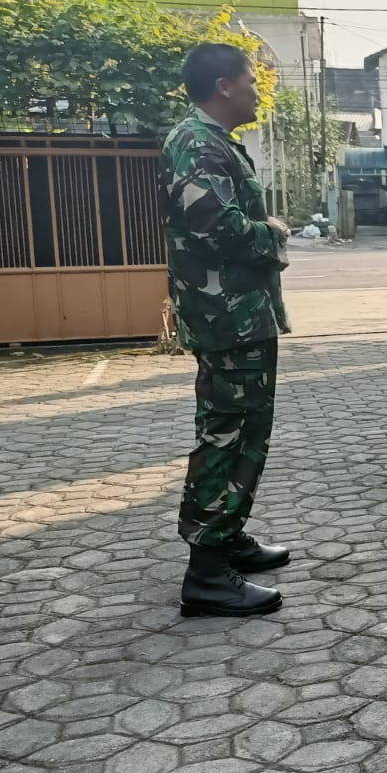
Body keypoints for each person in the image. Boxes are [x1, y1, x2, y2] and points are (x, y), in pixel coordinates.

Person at [160, 43, 291, 618]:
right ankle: (208, 572)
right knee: (227, 434)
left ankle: (228, 535)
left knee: (244, 429)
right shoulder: (196, 142)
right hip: (225, 317)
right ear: (223, 85)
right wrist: (274, 232)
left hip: (238, 314)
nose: (257, 91)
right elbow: (217, 227)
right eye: (251, 81)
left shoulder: (214, 141)